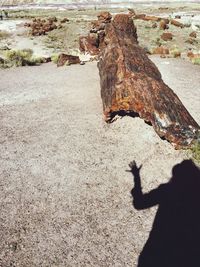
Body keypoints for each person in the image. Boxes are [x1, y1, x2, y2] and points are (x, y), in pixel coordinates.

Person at [128, 160, 200, 267]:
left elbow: (139, 203)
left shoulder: (168, 191)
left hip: (157, 251)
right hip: (187, 257)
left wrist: (136, 178)